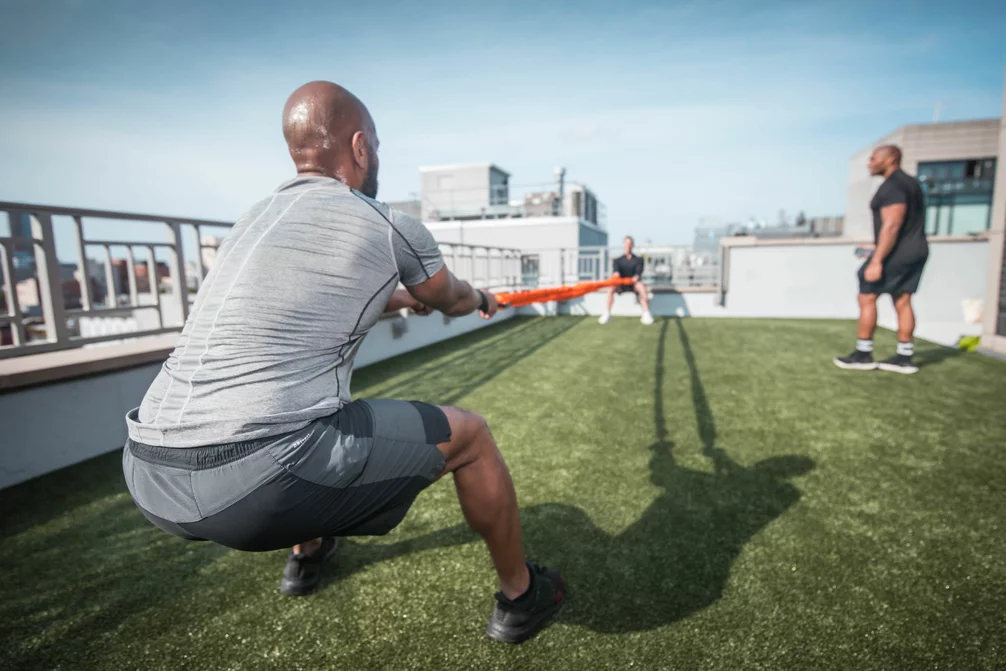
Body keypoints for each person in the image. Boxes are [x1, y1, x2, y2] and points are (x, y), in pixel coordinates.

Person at [121, 81, 565, 644]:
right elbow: (450, 297)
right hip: (254, 485)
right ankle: (522, 595)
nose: (376, 156)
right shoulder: (386, 222)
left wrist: (398, 298)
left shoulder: (250, 223)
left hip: (148, 470)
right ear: (359, 147)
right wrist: (480, 300)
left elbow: (301, 312)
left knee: (315, 410)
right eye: (375, 145)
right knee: (470, 434)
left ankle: (307, 556)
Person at [834, 145, 928, 375]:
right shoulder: (911, 184)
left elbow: (892, 224)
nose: (869, 163)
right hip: (914, 250)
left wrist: (877, 259)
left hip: (896, 253)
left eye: (873, 159)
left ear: (890, 159)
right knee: (903, 300)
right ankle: (905, 357)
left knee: (866, 295)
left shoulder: (893, 186)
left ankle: (863, 354)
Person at [598, 236, 654, 325]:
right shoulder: (618, 260)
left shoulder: (638, 260)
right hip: (621, 285)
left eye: (630, 244)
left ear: (632, 245)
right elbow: (616, 272)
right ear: (623, 245)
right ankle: (607, 313)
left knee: (642, 287)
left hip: (633, 284)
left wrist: (635, 278)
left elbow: (638, 273)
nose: (628, 245)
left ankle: (646, 313)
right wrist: (617, 275)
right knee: (611, 288)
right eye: (626, 243)